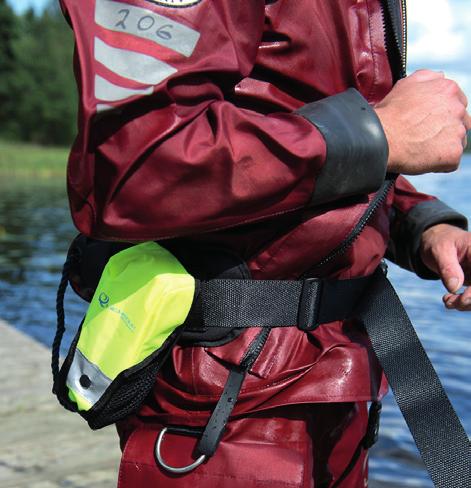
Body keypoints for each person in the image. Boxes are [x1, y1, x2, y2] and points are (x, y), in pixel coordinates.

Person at [58, 0, 471, 486]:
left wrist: (425, 225)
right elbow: (133, 169)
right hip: (226, 412)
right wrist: (379, 132)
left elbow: (308, 143)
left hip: (339, 392)